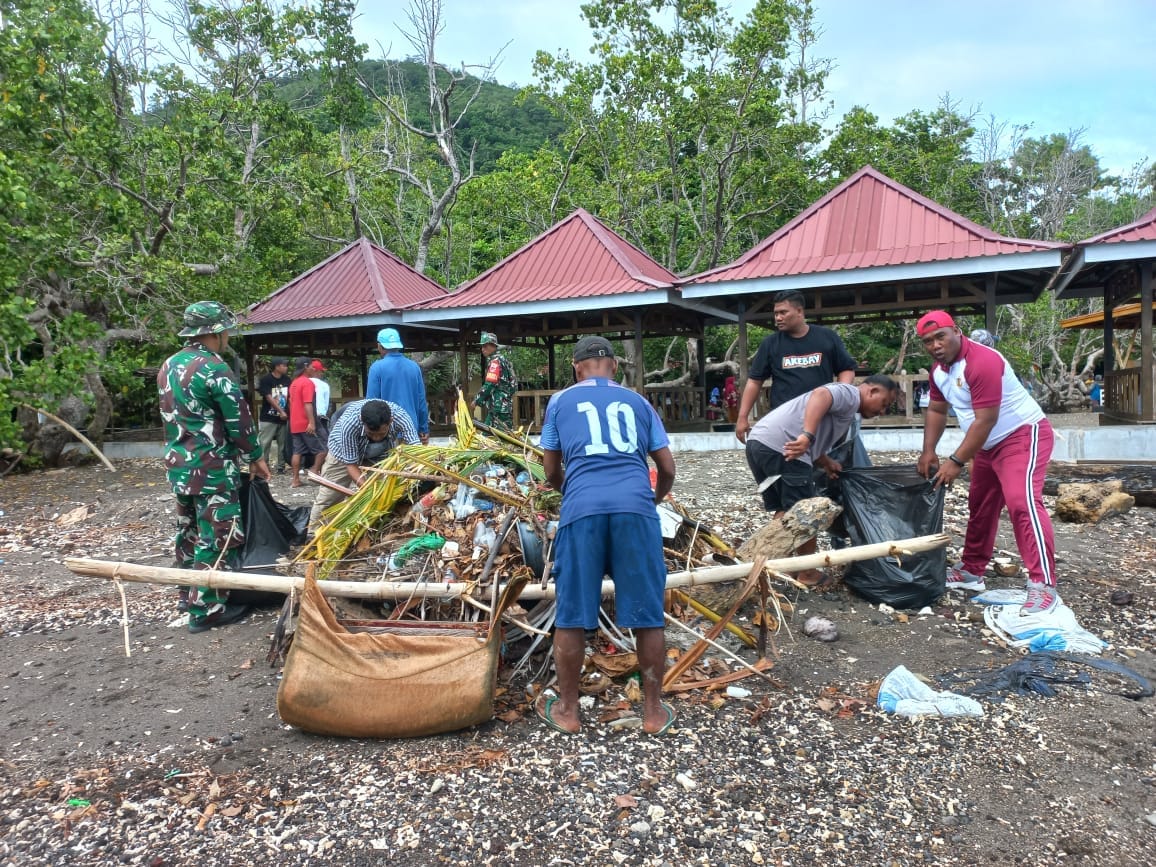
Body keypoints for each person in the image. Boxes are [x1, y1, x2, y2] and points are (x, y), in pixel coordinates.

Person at [538, 335, 677, 736]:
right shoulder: (638, 402)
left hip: (582, 510)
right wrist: (653, 500)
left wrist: (576, 492)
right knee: (648, 615)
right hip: (635, 508)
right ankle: (653, 712)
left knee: (572, 615)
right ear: (614, 366)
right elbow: (666, 467)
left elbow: (550, 472)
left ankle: (568, 711)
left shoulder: (560, 402)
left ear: (576, 367)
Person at [914, 310, 1059, 614]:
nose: (936, 345)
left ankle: (1042, 584)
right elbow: (937, 411)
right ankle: (971, 571)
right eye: (928, 341)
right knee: (981, 504)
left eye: (940, 336)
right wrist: (929, 450)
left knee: (1023, 503)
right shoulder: (939, 371)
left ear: (957, 331)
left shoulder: (983, 361)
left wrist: (955, 460)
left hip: (1021, 434)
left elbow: (987, 419)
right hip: (987, 444)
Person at [157, 301, 270, 633]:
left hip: (179, 466)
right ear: (215, 332)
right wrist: (256, 455)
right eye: (226, 331)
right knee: (217, 535)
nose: (228, 337)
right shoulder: (214, 368)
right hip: (213, 467)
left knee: (187, 530)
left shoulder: (169, 365)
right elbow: (239, 418)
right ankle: (207, 608)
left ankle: (186, 594)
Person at [744, 376, 899, 583]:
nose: (882, 411)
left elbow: (814, 443)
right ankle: (807, 572)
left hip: (759, 443)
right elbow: (821, 395)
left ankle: (777, 565)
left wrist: (826, 462)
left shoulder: (849, 406)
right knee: (805, 512)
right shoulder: (850, 395)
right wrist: (807, 435)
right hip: (786, 448)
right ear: (871, 391)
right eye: (884, 404)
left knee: (784, 510)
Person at [734, 290, 857, 445]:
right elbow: (755, 381)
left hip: (821, 417)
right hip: (784, 419)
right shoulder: (770, 344)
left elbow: (846, 369)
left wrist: (841, 395)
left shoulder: (826, 337)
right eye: (776, 313)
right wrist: (742, 417)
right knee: (789, 462)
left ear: (799, 311)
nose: (778, 318)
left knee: (824, 463)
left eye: (783, 312)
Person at [308, 398, 421, 530]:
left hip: (379, 456)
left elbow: (416, 449)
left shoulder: (401, 417)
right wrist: (368, 489)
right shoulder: (349, 423)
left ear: (390, 421)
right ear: (362, 421)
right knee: (329, 497)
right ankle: (313, 534)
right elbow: (350, 464)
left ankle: (376, 529)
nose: (376, 438)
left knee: (386, 494)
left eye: (381, 433)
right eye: (371, 434)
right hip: (341, 453)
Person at [366, 327, 430, 444]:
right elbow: (421, 401)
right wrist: (424, 429)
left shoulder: (377, 368)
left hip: (386, 431)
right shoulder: (414, 367)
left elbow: (371, 403)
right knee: (411, 462)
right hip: (411, 430)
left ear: (379, 346)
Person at [287, 357, 327, 488]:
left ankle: (295, 480)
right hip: (306, 422)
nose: (313, 368)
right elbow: (308, 403)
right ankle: (314, 471)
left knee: (297, 452)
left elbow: (290, 402)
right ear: (305, 367)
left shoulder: (294, 383)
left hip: (294, 422)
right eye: (311, 366)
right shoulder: (307, 383)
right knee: (323, 449)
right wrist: (312, 423)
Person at [474, 331, 517, 430]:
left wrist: (477, 400)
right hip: (500, 407)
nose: (482, 349)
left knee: (504, 438)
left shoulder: (495, 362)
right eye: (482, 347)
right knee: (487, 436)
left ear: (493, 346)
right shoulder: (503, 360)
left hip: (499, 408)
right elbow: (513, 384)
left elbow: (490, 384)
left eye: (485, 346)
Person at [257, 357, 291, 473]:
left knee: (283, 444)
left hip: (283, 417)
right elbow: (268, 397)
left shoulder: (287, 380)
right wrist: (281, 411)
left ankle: (281, 466)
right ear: (277, 366)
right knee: (265, 443)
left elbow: (290, 398)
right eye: (284, 365)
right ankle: (263, 466)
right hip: (268, 417)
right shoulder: (266, 380)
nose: (286, 367)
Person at [309, 360, 331, 439]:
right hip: (320, 416)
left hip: (307, 416)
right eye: (321, 371)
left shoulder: (303, 382)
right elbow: (326, 404)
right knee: (323, 442)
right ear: (316, 371)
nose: (322, 374)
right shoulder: (324, 385)